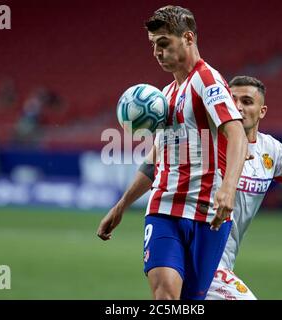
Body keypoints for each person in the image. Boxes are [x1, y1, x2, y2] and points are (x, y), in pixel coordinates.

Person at [98, 75, 282, 300]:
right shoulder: (201, 137)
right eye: (232, 100)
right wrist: (120, 207)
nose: (238, 107)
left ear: (262, 111)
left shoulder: (271, 151)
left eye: (247, 101)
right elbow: (153, 166)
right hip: (196, 255)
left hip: (219, 261)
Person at [97, 5, 248, 300]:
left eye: (164, 43)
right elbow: (155, 161)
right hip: (163, 210)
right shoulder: (164, 96)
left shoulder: (208, 82)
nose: (157, 52)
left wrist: (228, 190)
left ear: (188, 38)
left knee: (192, 300)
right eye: (153, 45)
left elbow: (237, 135)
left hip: (206, 214)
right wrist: (121, 206)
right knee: (165, 295)